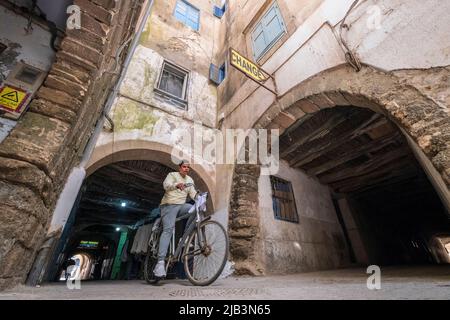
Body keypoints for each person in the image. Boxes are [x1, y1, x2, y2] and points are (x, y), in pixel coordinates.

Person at [153, 160, 197, 278]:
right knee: (168, 229)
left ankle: (185, 237)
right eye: (184, 167)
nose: (186, 169)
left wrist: (200, 197)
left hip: (181, 206)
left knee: (195, 209)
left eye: (188, 167)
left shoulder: (190, 180)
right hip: (169, 205)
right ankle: (160, 263)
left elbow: (193, 194)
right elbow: (166, 185)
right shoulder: (172, 175)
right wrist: (176, 185)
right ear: (180, 168)